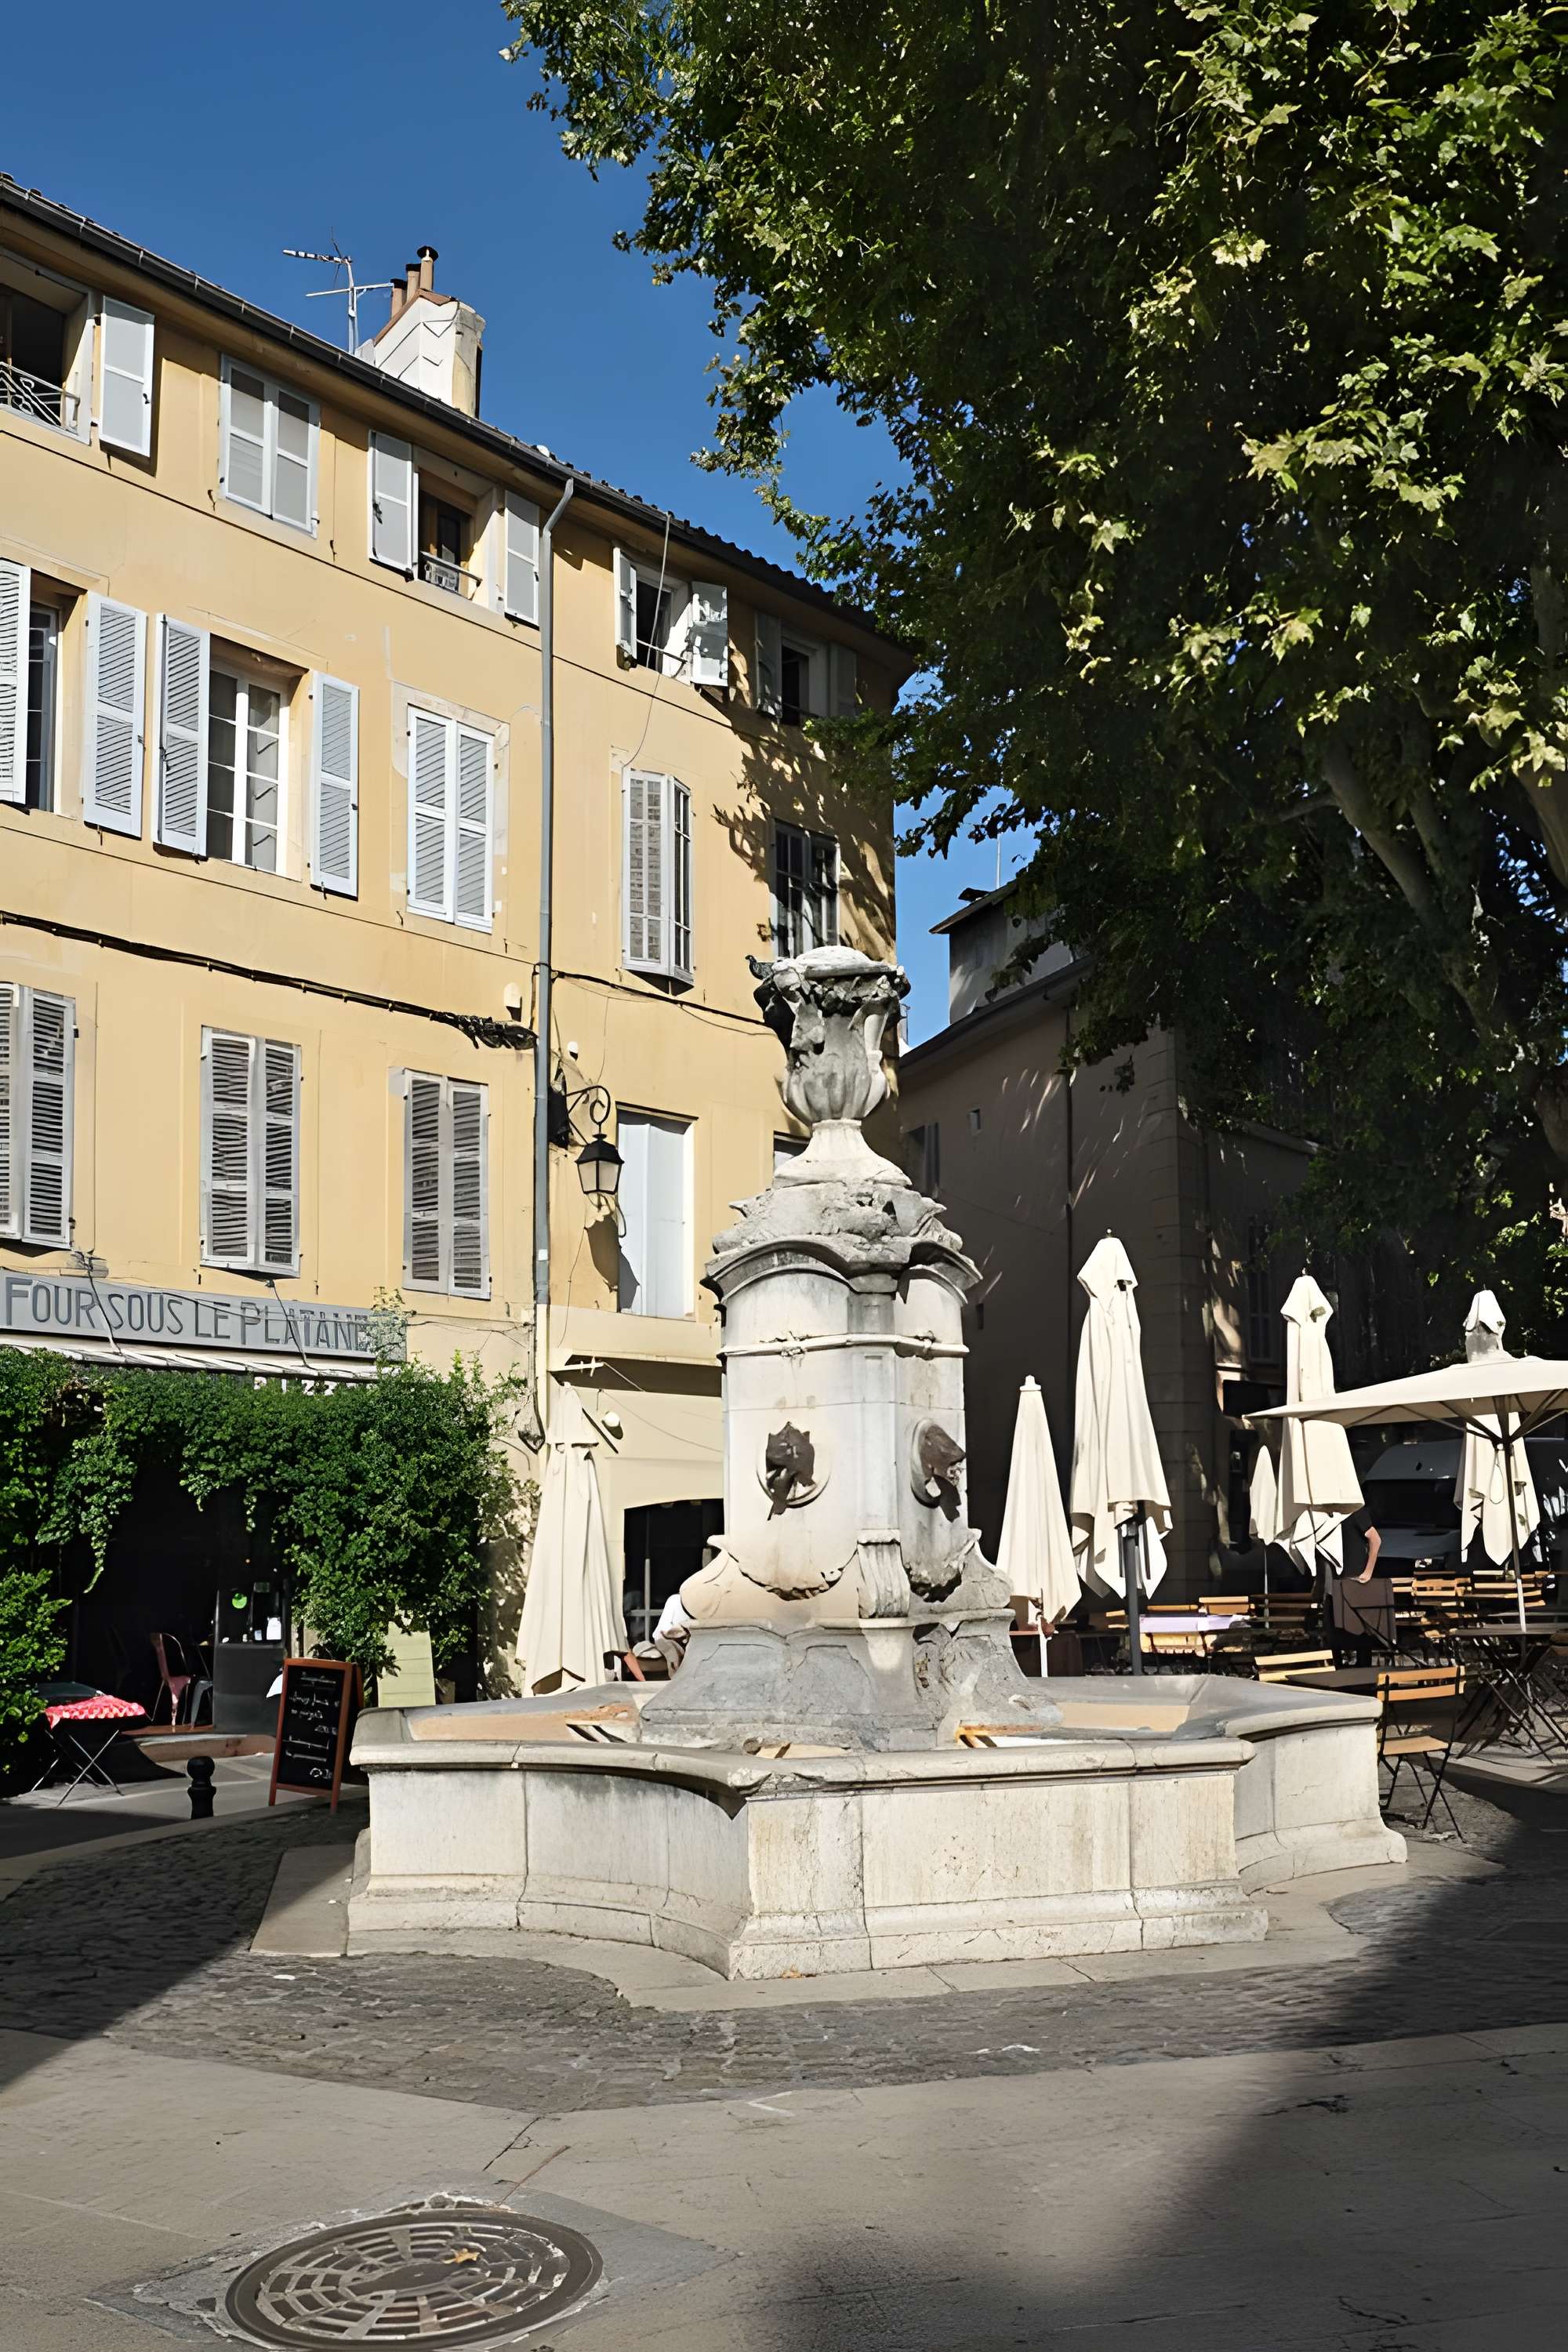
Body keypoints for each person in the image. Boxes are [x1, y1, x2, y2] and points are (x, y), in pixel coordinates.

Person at [1325, 1506, 1392, 1664]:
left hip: (1356, 1579)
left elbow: (1376, 1539)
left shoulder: (1355, 1511)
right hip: (1335, 1581)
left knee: (1360, 1632)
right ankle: (1339, 1669)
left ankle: (1363, 1673)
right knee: (1335, 1630)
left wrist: (1368, 1571)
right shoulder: (1325, 1516)